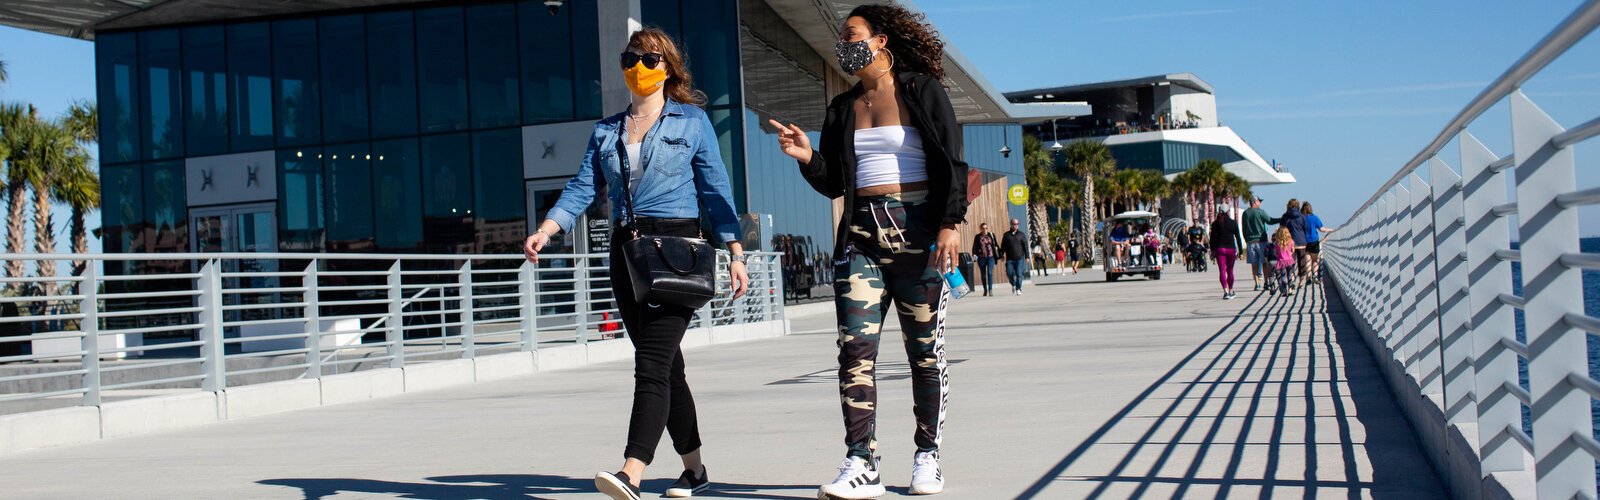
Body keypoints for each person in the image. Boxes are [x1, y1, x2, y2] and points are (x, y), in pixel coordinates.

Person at [523, 28, 749, 500]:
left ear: (666, 65)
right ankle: (695, 471)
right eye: (630, 57)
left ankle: (632, 471)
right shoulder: (606, 130)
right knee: (668, 369)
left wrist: (735, 252)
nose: (638, 66)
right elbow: (584, 187)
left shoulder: (692, 122)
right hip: (626, 256)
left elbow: (716, 190)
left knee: (650, 362)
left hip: (677, 250)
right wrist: (547, 229)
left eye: (648, 57)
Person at [770, 5, 966, 496]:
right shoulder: (843, 108)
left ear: (880, 42)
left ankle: (927, 454)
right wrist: (808, 156)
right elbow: (836, 181)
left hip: (920, 234)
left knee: (924, 353)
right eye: (841, 36)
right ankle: (862, 460)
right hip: (861, 237)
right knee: (854, 352)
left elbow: (952, 159)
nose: (843, 43)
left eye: (851, 34)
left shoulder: (921, 90)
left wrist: (950, 223)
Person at [1269, 199, 1308, 291]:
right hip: (1301, 242)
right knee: (1301, 262)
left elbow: (1281, 228)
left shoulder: (1285, 216)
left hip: (1288, 242)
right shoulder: (1302, 216)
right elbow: (1305, 228)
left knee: (1291, 261)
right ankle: (1301, 281)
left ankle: (1292, 279)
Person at [1209, 211, 1244, 299]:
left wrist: (1212, 250)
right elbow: (1238, 237)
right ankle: (1231, 290)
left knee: (1222, 271)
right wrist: (1241, 252)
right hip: (1231, 249)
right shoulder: (1233, 223)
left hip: (1220, 249)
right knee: (1230, 270)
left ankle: (1226, 291)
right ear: (1228, 212)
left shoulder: (1215, 224)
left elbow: (1212, 239)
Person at [1241, 197, 1271, 292]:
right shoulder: (1261, 212)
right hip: (1261, 241)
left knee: (1254, 264)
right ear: (1254, 202)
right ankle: (1266, 282)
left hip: (1251, 242)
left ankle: (1257, 284)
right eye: (1259, 201)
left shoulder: (1245, 213)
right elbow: (1270, 221)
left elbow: (1244, 228)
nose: (1260, 203)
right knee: (1264, 263)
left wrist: (1246, 239)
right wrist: (1282, 219)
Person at [1302, 201, 1331, 285]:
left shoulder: (1302, 218)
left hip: (1305, 242)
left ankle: (1308, 278)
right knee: (1315, 260)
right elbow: (1321, 229)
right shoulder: (1314, 218)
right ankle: (1315, 275)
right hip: (1314, 241)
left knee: (1307, 260)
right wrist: (1330, 230)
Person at [999, 219, 1028, 295]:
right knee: (1009, 273)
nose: (1016, 225)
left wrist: (1027, 256)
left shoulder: (1021, 234)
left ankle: (1019, 288)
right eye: (1014, 224)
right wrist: (1001, 255)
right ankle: (1014, 284)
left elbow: (1025, 246)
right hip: (1010, 259)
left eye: (1017, 224)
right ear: (1011, 224)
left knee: (1019, 274)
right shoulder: (1006, 235)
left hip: (1019, 258)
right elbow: (1003, 246)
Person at [972, 222, 999, 296]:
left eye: (986, 228)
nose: (985, 229)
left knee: (990, 273)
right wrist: (974, 256)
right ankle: (985, 289)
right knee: (983, 274)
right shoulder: (978, 237)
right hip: (981, 258)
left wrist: (1000, 255)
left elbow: (996, 245)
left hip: (991, 257)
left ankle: (990, 290)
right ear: (981, 229)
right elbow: (974, 247)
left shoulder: (991, 235)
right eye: (983, 228)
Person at [1271, 227, 1297, 295]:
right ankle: (1290, 289)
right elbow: (1293, 250)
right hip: (1290, 261)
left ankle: (1285, 290)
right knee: (1289, 275)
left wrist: (1280, 256)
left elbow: (1275, 253)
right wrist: (1289, 254)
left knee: (1283, 275)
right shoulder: (1291, 241)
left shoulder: (1277, 243)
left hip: (1281, 261)